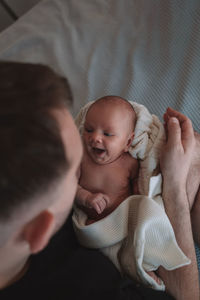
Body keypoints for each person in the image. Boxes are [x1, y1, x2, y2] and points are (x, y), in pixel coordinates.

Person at [0, 61, 198, 300]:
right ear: (39, 231)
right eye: (74, 168)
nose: (92, 142)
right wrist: (175, 189)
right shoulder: (96, 288)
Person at [76, 96, 139, 223]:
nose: (95, 137)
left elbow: (140, 190)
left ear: (128, 142)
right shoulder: (81, 156)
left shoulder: (129, 163)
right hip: (88, 220)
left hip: (120, 222)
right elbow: (69, 185)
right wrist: (86, 197)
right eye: (89, 130)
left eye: (107, 134)